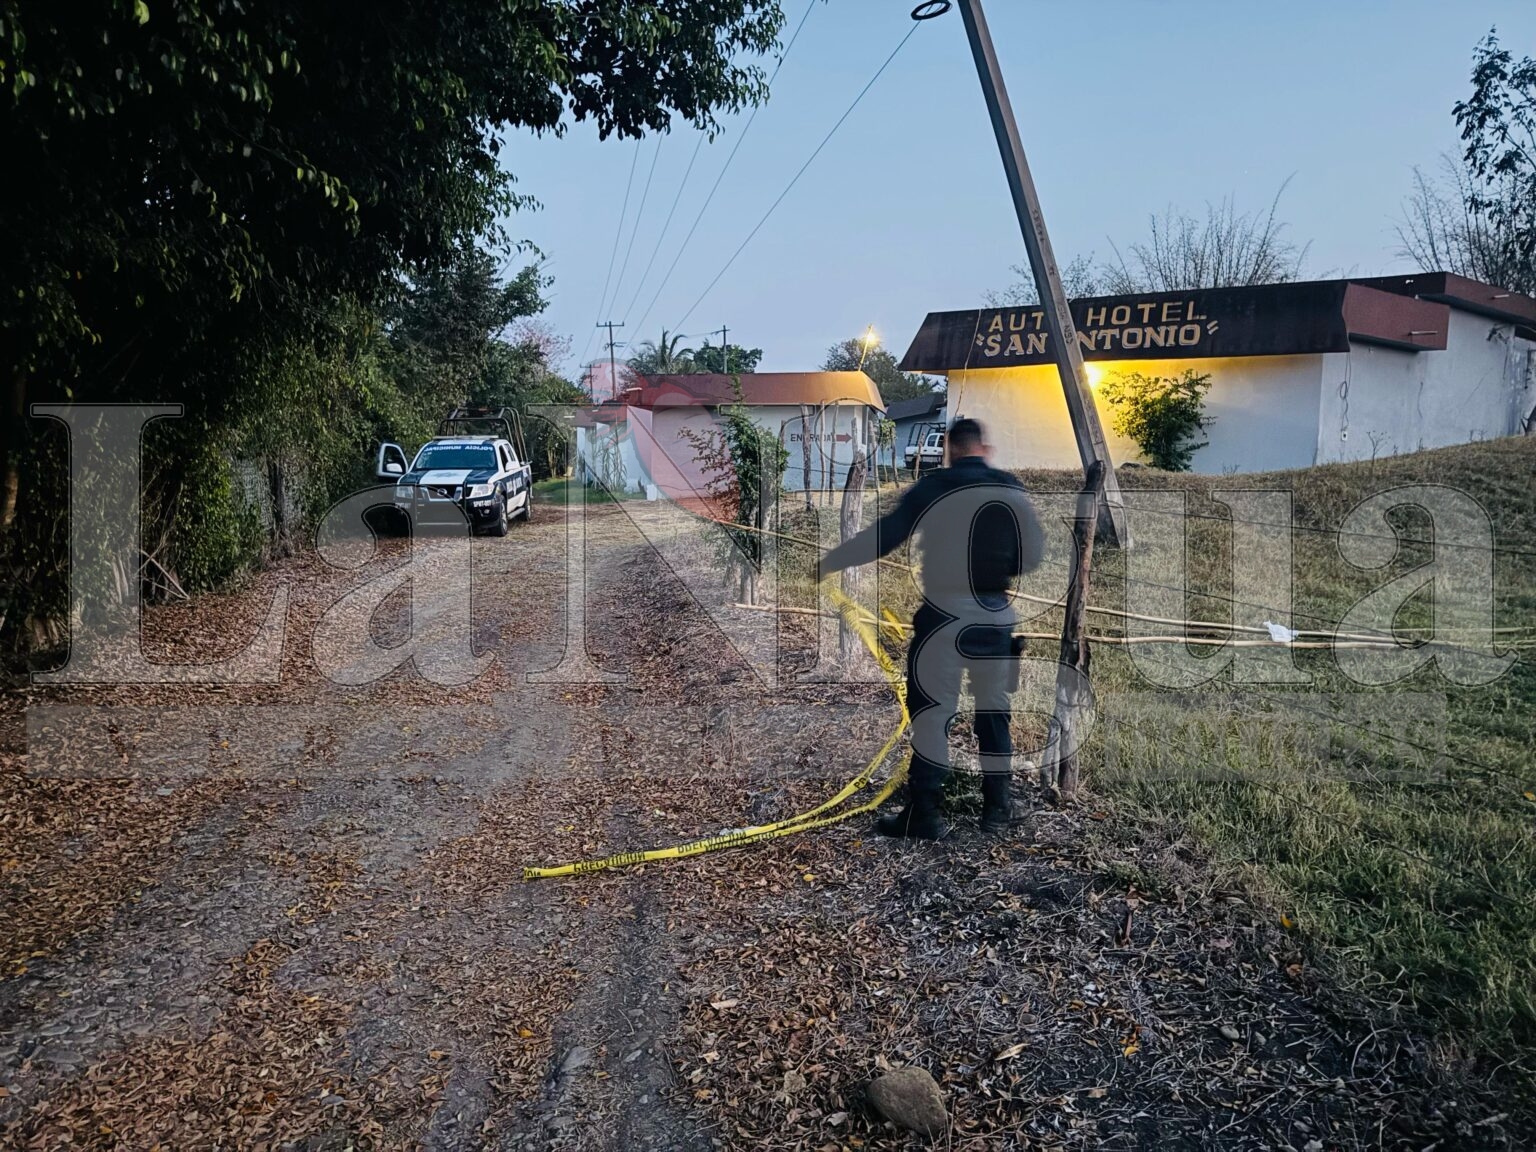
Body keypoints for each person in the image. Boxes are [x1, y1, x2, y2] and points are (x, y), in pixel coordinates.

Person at [817, 417, 1044, 839]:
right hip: (994, 614)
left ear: (951, 450)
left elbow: (885, 536)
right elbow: (1031, 558)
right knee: (994, 714)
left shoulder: (934, 487)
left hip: (942, 615)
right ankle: (997, 810)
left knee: (933, 716)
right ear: (985, 449)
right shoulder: (1011, 489)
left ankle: (926, 815)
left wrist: (832, 562)